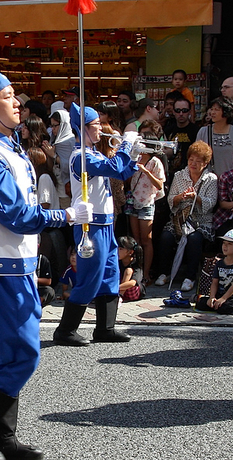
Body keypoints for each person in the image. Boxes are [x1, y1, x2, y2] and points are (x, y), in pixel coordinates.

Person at [0, 69, 90, 460]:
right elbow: (13, 214)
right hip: (1, 265)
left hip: (13, 262)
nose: (17, 102)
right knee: (23, 353)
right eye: (8, 96)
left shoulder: (7, 149)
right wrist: (65, 216)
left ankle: (2, 437)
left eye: (15, 96)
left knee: (0, 354)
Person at [52, 103, 139, 347]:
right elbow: (113, 168)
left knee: (110, 275)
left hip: (106, 224)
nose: (101, 129)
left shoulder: (94, 152)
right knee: (90, 276)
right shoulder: (81, 155)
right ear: (83, 129)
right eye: (95, 126)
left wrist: (132, 155)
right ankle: (65, 330)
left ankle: (105, 328)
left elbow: (120, 173)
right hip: (91, 225)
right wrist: (127, 143)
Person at [154, 141, 218, 292]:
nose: (193, 164)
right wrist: (181, 197)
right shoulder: (179, 176)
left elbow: (212, 202)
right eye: (191, 160)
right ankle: (164, 272)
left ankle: (190, 277)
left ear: (206, 163)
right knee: (166, 236)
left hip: (200, 221)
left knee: (194, 238)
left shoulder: (211, 179)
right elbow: (171, 200)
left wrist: (196, 197)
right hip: (180, 219)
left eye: (198, 161)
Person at [126, 131, 165, 285]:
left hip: (147, 202)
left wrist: (146, 171)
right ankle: (137, 272)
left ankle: (147, 273)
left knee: (146, 240)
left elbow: (160, 184)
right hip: (133, 201)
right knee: (136, 240)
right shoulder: (134, 158)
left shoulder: (155, 162)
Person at [196, 97, 233, 178]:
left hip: (230, 180)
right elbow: (197, 156)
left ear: (226, 112)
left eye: (216, 110)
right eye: (211, 109)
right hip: (208, 180)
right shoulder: (204, 131)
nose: (212, 112)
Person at [163, 97, 199, 176]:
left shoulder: (196, 131)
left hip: (190, 172)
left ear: (189, 112)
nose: (181, 114)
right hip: (170, 173)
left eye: (184, 110)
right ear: (173, 112)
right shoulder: (167, 130)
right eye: (178, 110)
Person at [117, 236, 145, 302]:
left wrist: (114, 288)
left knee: (128, 271)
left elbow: (133, 283)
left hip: (132, 292)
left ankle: (119, 297)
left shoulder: (136, 264)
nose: (117, 251)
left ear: (130, 252)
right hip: (120, 287)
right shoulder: (117, 261)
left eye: (121, 249)